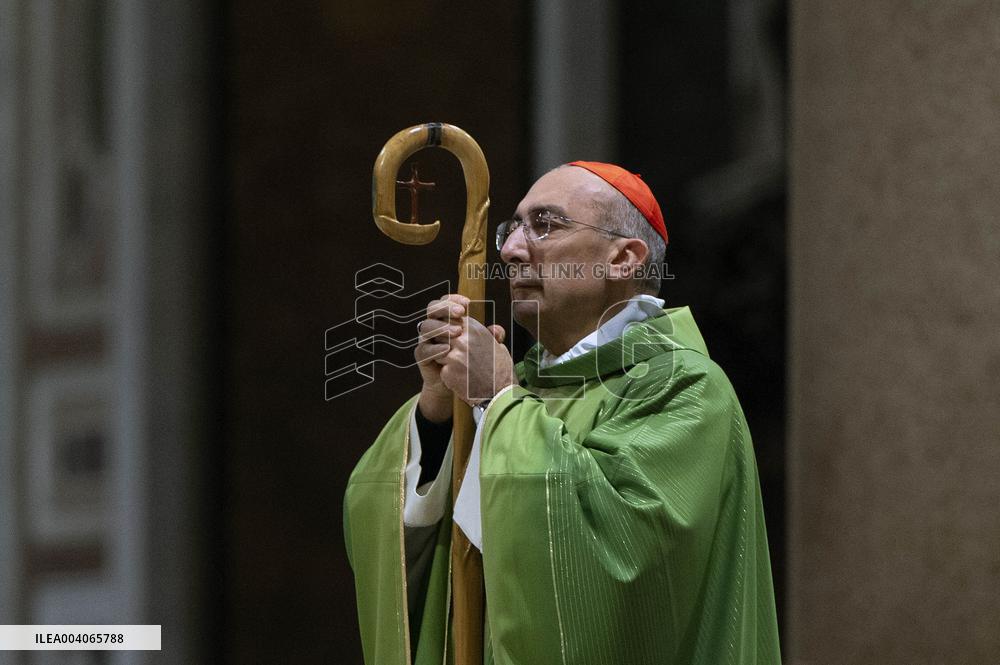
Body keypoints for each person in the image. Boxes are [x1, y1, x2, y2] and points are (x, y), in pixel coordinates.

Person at [343, 161, 782, 664]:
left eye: (545, 225)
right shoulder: (525, 388)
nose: (508, 250)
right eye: (512, 229)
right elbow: (378, 527)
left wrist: (498, 399)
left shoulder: (683, 388)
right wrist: (439, 417)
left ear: (623, 258)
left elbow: (618, 563)